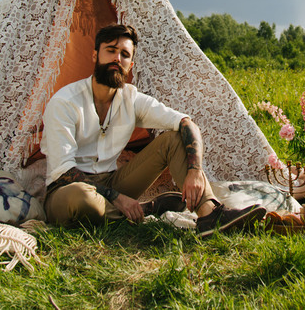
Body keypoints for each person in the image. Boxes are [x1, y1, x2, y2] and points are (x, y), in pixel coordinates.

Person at [41, 23, 266, 236]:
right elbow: (64, 172)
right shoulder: (65, 102)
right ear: (94, 55)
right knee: (83, 200)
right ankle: (146, 211)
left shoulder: (131, 99)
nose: (117, 58)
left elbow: (186, 123)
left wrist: (195, 170)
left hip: (112, 182)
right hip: (68, 190)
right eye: (110, 50)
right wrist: (118, 198)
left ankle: (210, 215)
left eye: (125, 55)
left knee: (174, 138)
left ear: (130, 65)